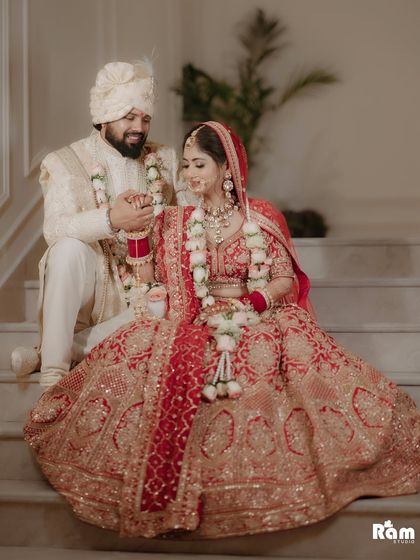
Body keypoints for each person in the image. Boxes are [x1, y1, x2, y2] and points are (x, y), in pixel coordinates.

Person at [24, 122, 420, 539]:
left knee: (266, 359)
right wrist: (139, 233)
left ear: (226, 167)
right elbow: (145, 278)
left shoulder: (260, 216)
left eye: (200, 164)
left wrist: (250, 305)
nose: (191, 175)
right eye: (187, 166)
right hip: (194, 318)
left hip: (258, 315)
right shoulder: (176, 221)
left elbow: (284, 278)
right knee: (142, 348)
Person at [11, 60, 195, 387]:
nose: (139, 126)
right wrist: (111, 219)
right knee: (66, 249)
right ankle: (54, 374)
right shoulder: (65, 161)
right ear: (103, 117)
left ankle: (50, 352)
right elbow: (54, 229)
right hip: (94, 282)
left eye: (145, 118)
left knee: (166, 308)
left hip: (148, 281)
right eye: (129, 117)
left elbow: (191, 217)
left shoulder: (165, 158)